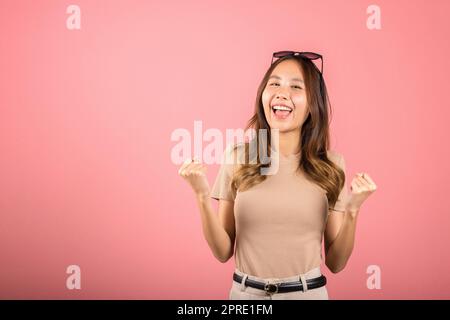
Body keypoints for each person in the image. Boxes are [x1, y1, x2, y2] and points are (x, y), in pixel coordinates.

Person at [178, 51, 377, 299]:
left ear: (313, 105)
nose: (282, 93)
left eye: (295, 86)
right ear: (263, 95)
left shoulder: (331, 165)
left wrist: (353, 210)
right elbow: (222, 251)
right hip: (246, 296)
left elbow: (336, 263)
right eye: (274, 83)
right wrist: (201, 195)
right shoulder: (238, 157)